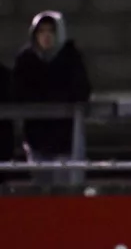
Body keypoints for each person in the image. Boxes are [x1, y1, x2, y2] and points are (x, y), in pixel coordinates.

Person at [10, 11, 91, 185]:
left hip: (67, 139)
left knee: (66, 191)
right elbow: (18, 92)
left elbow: (81, 91)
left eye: (51, 31)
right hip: (36, 139)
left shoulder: (71, 58)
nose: (46, 36)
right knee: (42, 192)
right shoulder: (26, 59)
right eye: (41, 32)